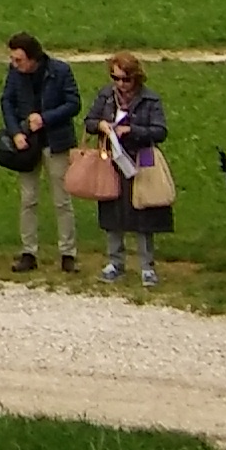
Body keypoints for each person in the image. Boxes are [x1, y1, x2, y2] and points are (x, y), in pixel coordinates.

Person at [87, 50, 172, 288]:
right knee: (112, 211)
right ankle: (115, 262)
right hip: (112, 161)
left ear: (136, 77)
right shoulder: (106, 96)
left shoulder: (150, 99)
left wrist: (132, 130)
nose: (121, 84)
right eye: (115, 78)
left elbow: (160, 131)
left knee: (143, 212)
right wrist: (101, 125)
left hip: (141, 158)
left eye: (126, 79)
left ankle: (147, 266)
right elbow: (89, 121)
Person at [0, 32, 84, 273]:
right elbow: (7, 101)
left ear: (33, 58)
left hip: (56, 142)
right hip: (27, 143)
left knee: (62, 200)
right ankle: (29, 251)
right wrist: (15, 132)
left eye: (19, 59)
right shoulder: (15, 73)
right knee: (28, 198)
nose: (15, 64)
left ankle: (68, 253)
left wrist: (45, 119)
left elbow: (73, 103)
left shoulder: (60, 71)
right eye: (13, 59)